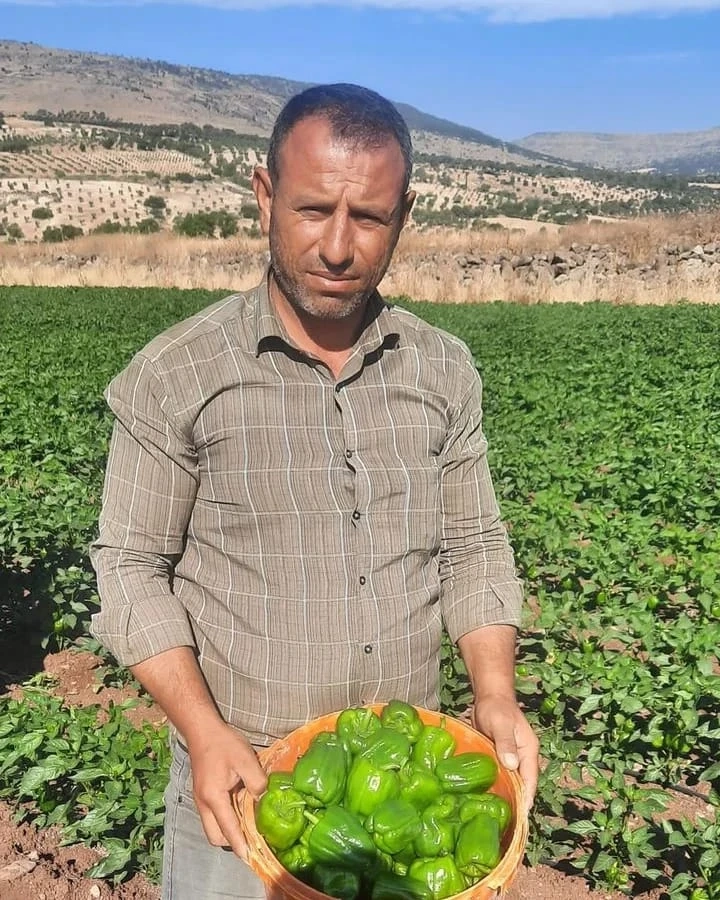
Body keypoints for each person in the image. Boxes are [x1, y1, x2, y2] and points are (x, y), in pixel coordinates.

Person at [90, 83, 539, 900]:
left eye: (368, 217)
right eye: (311, 209)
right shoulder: (177, 374)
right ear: (265, 195)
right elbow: (128, 566)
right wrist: (203, 731)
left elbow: (474, 546)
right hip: (243, 776)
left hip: (405, 779)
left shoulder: (442, 369)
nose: (337, 247)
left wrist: (495, 694)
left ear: (403, 216)